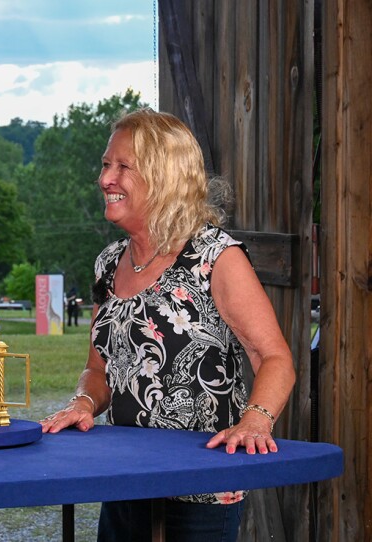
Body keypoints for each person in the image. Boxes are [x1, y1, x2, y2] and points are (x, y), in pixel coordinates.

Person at [40, 109, 295, 542]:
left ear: (163, 176)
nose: (105, 179)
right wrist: (84, 402)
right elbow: (99, 370)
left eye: (123, 167)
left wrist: (256, 421)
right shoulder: (107, 264)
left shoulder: (215, 255)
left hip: (202, 487)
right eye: (106, 164)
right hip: (123, 480)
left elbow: (274, 357)